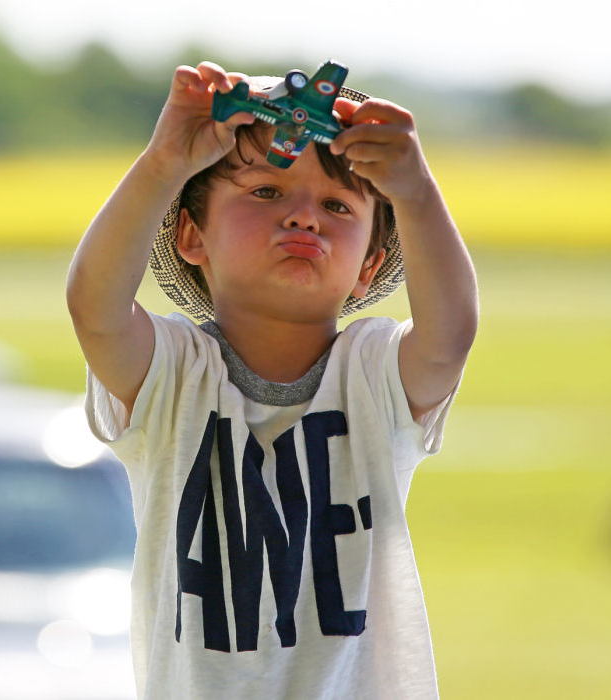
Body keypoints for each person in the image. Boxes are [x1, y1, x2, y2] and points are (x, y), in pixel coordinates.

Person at [67, 60, 478, 700]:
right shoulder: (173, 371)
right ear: (190, 235)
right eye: (266, 192)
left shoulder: (374, 373)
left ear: (370, 267)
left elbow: (450, 334)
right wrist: (164, 161)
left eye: (338, 205)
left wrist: (417, 192)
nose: (304, 218)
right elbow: (94, 308)